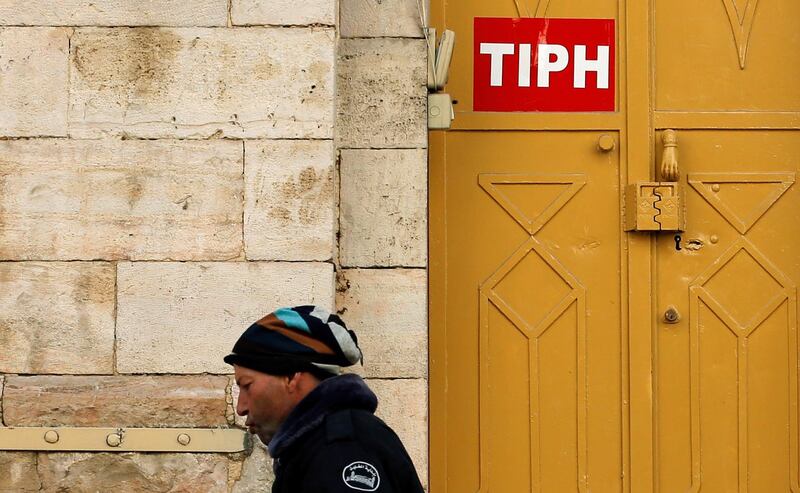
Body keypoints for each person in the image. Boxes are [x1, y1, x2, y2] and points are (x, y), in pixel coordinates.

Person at [224, 305, 424, 493]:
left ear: (291, 376)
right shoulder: (318, 444)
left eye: (247, 385)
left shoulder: (342, 447)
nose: (241, 408)